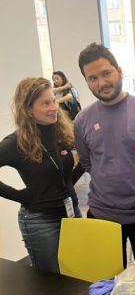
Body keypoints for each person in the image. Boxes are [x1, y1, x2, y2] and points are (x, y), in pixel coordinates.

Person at [74, 43, 135, 267]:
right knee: (105, 283)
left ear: (119, 71)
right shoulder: (82, 120)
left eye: (106, 73)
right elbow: (87, 162)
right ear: (86, 81)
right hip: (102, 215)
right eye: (92, 78)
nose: (101, 83)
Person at [0, 77, 82, 273]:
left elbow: (62, 174)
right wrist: (20, 196)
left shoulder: (61, 132)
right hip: (41, 221)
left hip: (72, 214)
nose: (54, 107)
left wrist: (82, 169)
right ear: (28, 109)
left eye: (53, 100)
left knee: (78, 274)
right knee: (51, 283)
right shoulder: (16, 142)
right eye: (45, 103)